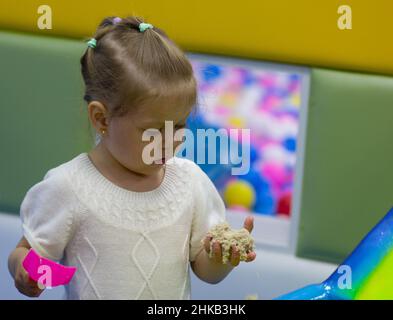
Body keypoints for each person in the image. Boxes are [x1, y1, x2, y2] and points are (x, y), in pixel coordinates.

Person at [8, 16, 256, 299]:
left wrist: (221, 257)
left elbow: (205, 270)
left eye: (179, 126)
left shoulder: (190, 183)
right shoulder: (70, 187)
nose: (171, 139)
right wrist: (25, 270)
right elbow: (24, 252)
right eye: (152, 130)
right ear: (101, 118)